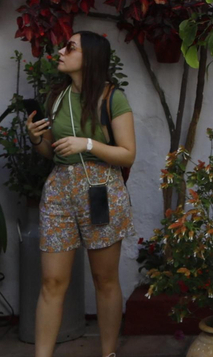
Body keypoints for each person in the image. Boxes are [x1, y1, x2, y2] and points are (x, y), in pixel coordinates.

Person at [26, 30, 135, 357]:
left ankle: (108, 352)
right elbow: (51, 152)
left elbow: (128, 154)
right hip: (59, 191)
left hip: (100, 190)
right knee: (51, 283)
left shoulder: (111, 97)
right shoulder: (56, 97)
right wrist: (35, 139)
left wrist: (87, 144)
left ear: (88, 58)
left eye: (69, 47)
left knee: (105, 281)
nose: (60, 51)